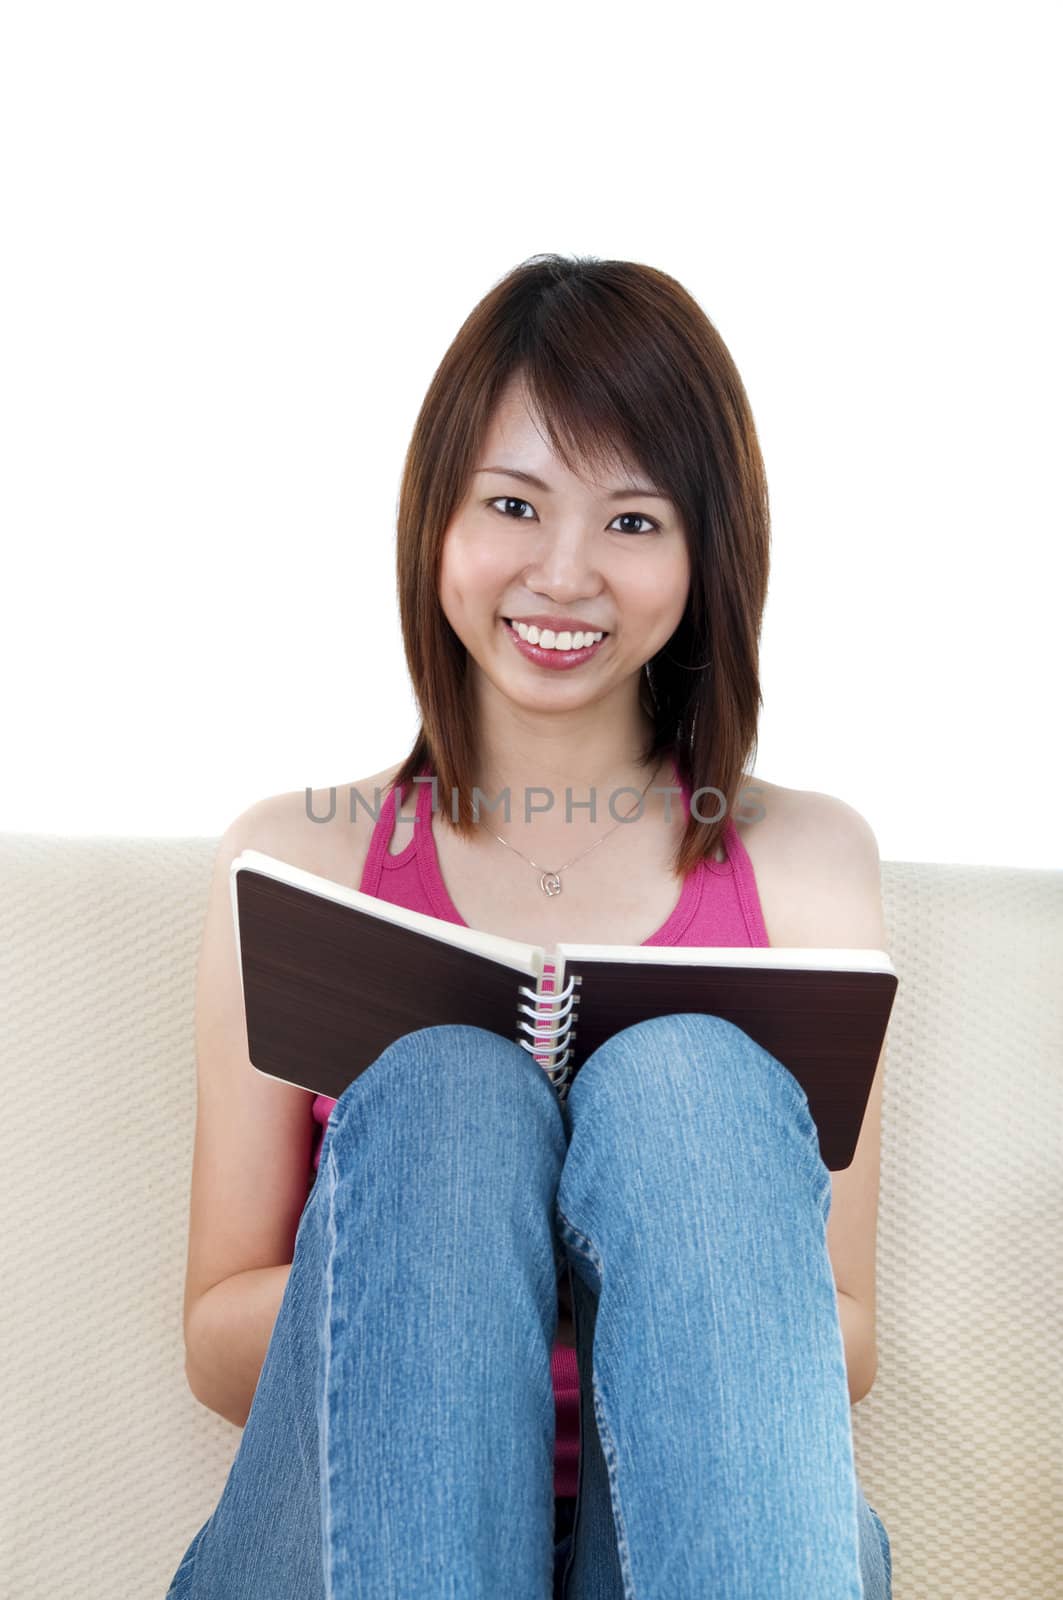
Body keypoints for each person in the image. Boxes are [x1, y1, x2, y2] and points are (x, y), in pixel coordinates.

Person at [167, 253, 893, 1598]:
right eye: (514, 504)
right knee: (449, 1100)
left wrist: (650, 1237)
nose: (564, 575)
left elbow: (840, 1333)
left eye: (632, 522)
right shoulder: (295, 856)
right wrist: (459, 1246)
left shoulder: (809, 866)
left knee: (688, 1088)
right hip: (354, 1523)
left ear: (703, 555)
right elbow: (216, 1337)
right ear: (436, 523)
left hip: (683, 1526)